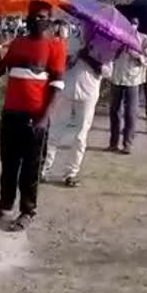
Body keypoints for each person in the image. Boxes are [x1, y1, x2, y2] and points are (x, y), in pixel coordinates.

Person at [0, 1, 66, 231]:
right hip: (11, 113)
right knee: (8, 164)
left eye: (43, 17)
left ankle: (28, 210)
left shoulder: (56, 47)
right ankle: (4, 205)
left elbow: (57, 86)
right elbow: (0, 70)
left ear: (49, 20)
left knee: (30, 168)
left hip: (35, 117)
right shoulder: (17, 43)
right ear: (27, 19)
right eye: (34, 17)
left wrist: (44, 118)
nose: (38, 21)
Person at [42, 28, 111, 186]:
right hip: (66, 89)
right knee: (55, 131)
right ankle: (43, 169)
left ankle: (71, 174)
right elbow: (58, 61)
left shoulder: (106, 46)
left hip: (88, 93)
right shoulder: (71, 39)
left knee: (80, 135)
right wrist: (70, 58)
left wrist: (88, 58)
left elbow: (107, 72)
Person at [108, 18, 147, 154]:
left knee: (130, 113)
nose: (132, 25)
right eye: (130, 22)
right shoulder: (117, 35)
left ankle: (127, 144)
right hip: (117, 77)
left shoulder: (143, 39)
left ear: (138, 25)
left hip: (133, 80)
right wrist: (119, 47)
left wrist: (135, 54)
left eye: (135, 23)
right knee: (114, 111)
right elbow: (109, 53)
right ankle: (113, 143)